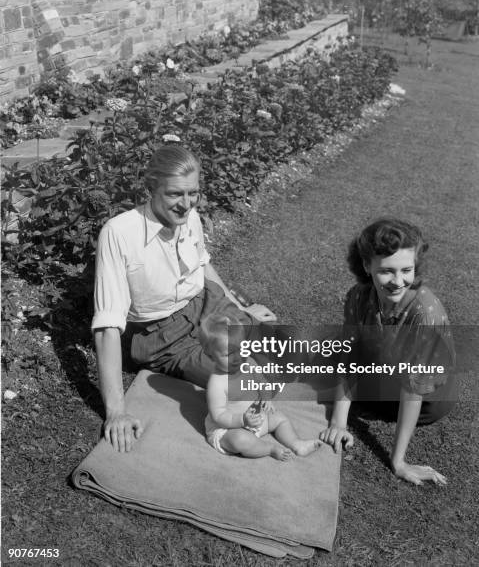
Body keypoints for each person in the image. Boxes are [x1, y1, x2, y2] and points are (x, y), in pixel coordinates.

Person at [92, 144, 276, 453]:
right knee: (246, 385)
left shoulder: (190, 218)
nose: (186, 204)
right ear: (151, 187)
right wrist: (117, 412)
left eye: (193, 193)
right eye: (176, 194)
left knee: (278, 356)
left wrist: (238, 306)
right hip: (165, 335)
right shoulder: (119, 234)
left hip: (207, 305)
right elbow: (107, 327)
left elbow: (203, 265)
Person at [319, 218, 457, 486]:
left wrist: (398, 461)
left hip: (427, 397)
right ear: (366, 266)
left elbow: (413, 390)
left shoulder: (425, 313)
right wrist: (338, 423)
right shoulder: (358, 296)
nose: (398, 281)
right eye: (386, 271)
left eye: (407, 270)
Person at [200, 313, 322, 460]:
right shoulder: (217, 383)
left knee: (279, 418)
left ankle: (297, 444)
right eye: (228, 354)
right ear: (211, 356)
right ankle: (270, 449)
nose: (236, 357)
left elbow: (261, 382)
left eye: (240, 349)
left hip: (255, 419)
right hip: (228, 429)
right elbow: (219, 416)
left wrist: (266, 398)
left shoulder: (248, 362)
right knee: (240, 439)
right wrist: (242, 420)